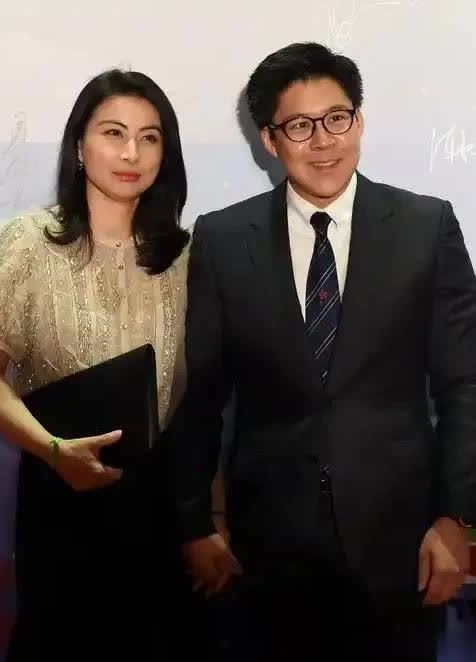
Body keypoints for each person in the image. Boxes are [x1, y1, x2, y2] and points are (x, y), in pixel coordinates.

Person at [169, 42, 476, 661]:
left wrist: (456, 520)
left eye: (337, 118)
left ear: (358, 121)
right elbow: (201, 394)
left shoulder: (426, 226)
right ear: (269, 139)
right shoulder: (222, 238)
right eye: (299, 126)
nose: (323, 141)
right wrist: (195, 523)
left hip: (402, 544)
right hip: (267, 551)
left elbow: (464, 384)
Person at [0, 69, 213, 661]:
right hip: (61, 495)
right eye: (113, 133)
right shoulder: (29, 243)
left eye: (149, 137)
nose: (132, 153)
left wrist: (209, 516)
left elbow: (207, 401)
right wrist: (56, 451)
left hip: (162, 508)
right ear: (79, 145)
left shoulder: (187, 257)